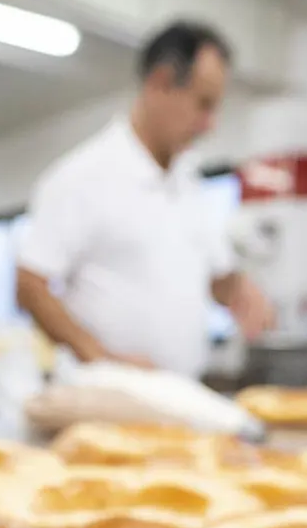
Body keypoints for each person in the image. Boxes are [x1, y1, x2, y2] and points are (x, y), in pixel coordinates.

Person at [15, 21, 275, 377]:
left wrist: (240, 290)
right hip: (108, 401)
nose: (210, 124)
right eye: (203, 104)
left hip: (183, 393)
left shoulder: (189, 181)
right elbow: (31, 286)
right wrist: (97, 356)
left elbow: (213, 277)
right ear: (161, 82)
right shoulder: (83, 176)